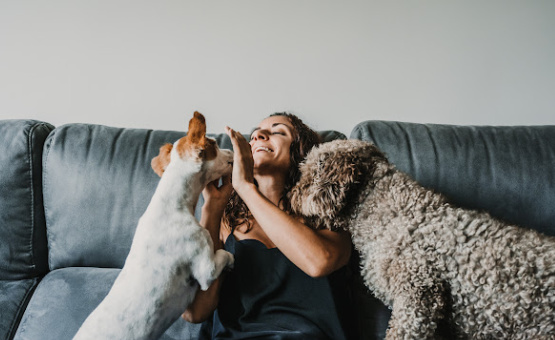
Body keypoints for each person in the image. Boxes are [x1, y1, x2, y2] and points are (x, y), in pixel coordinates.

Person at [183, 113, 355, 339]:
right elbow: (196, 311)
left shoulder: (328, 212)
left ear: (302, 151)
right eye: (255, 134)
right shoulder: (228, 221)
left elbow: (319, 263)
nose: (258, 135)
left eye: (277, 131)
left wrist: (245, 188)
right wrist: (212, 207)